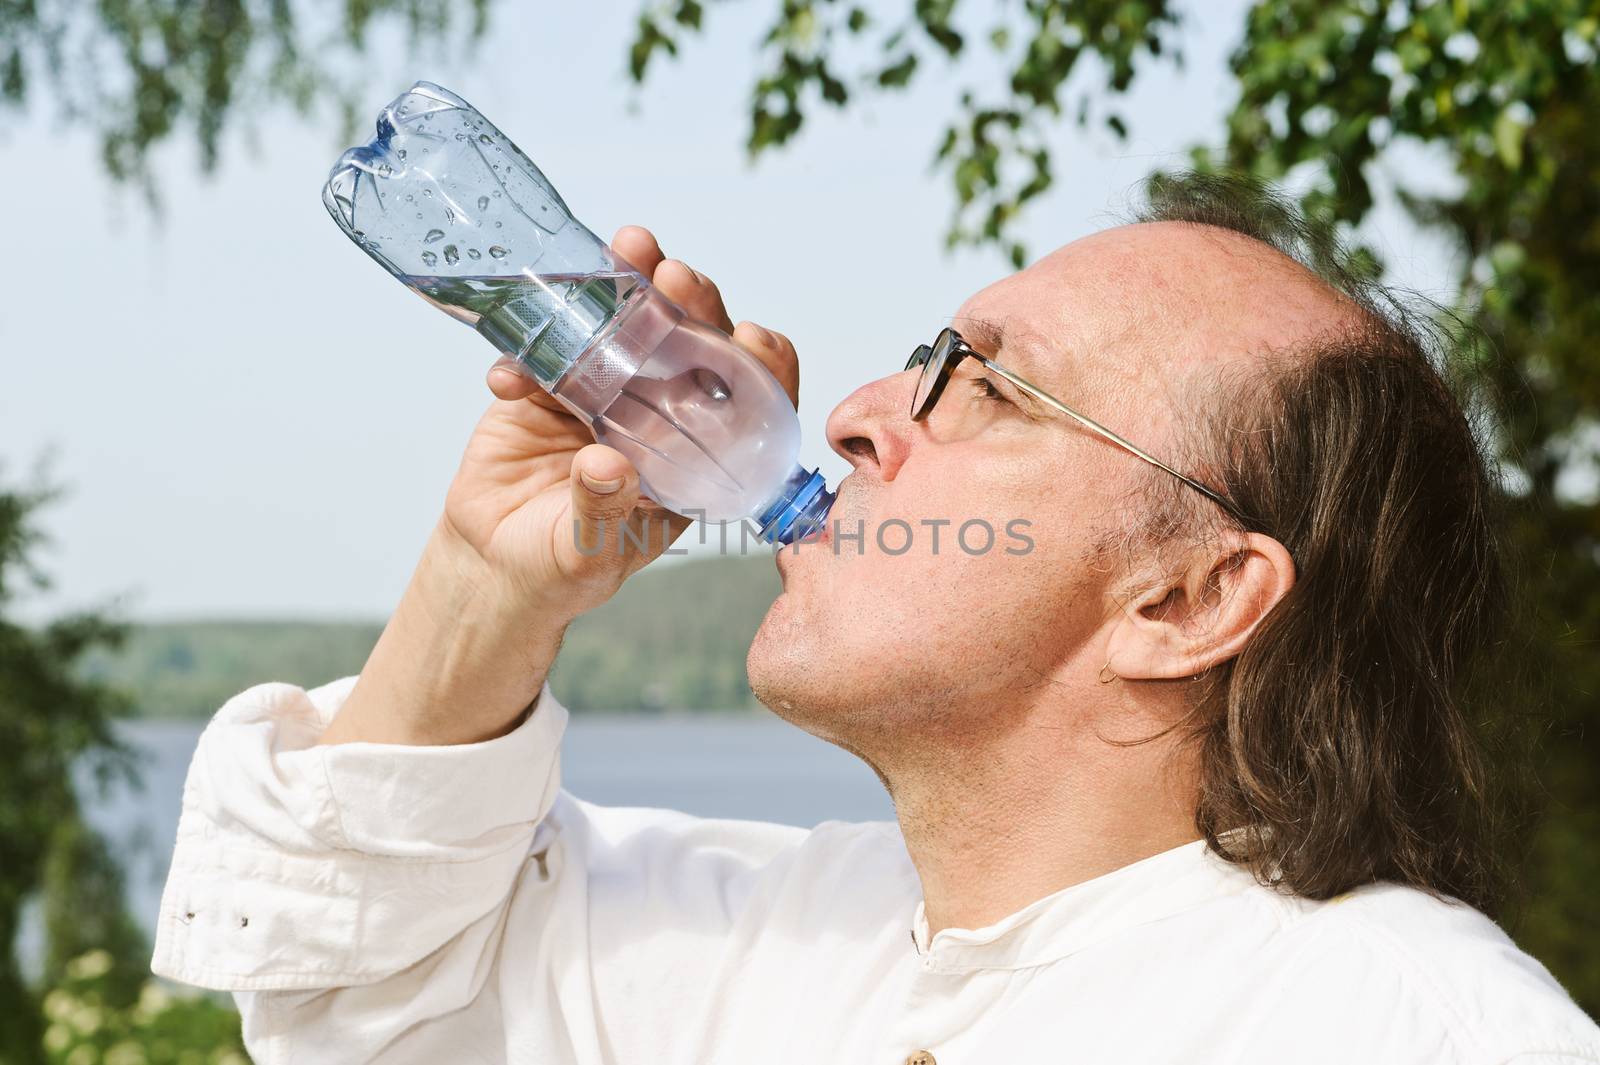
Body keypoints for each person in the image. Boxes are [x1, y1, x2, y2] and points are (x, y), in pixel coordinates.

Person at [152, 173, 1600, 1064]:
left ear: (1194, 595)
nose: (849, 412)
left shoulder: (1414, 1032)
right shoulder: (772, 938)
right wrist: (490, 579)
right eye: (927, 357)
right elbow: (347, 981)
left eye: (989, 387)